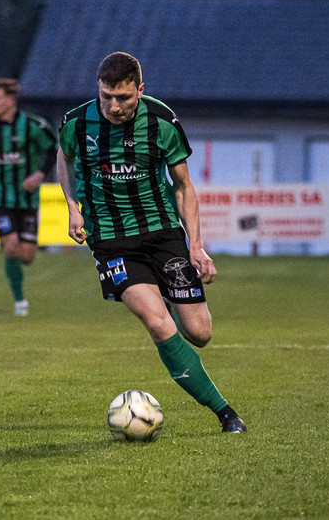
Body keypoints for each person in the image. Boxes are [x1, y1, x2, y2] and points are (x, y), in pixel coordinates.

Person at [56, 52, 247, 433]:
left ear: (140, 91)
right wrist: (72, 207)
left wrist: (196, 246)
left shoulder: (161, 121)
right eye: (106, 95)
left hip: (163, 234)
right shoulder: (77, 122)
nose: (113, 105)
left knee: (200, 333)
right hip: (111, 241)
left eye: (123, 97)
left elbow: (183, 186)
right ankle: (226, 414)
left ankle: (171, 301)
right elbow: (63, 158)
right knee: (158, 324)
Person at [0, 77, 58, 316]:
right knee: (10, 246)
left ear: (10, 100)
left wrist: (39, 174)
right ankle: (20, 301)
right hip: (0, 198)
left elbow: (52, 150)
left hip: (27, 199)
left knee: (27, 256)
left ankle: (18, 275)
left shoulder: (32, 126)